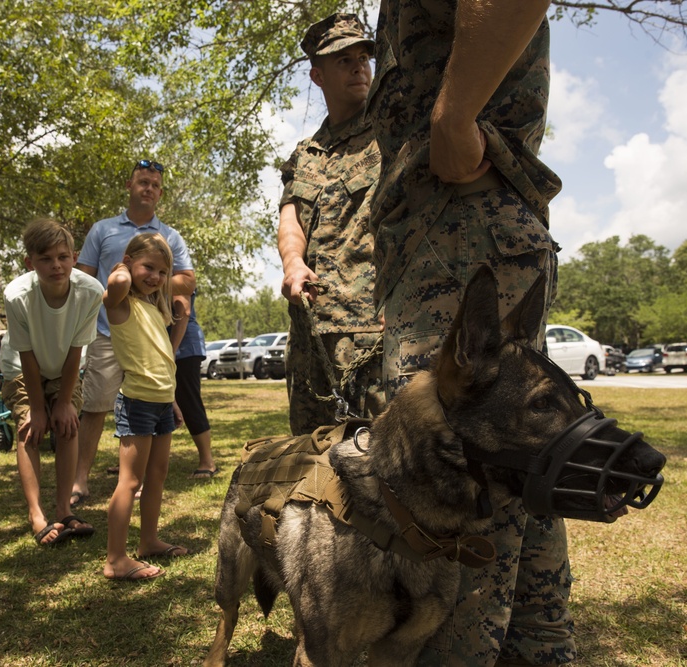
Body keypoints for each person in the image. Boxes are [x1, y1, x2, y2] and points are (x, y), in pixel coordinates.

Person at [367, 1, 573, 665]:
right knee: (515, 452)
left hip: (461, 218)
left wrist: (453, 118)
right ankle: (535, 646)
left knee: (448, 458)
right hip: (452, 224)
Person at [278, 13, 385, 436]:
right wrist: (293, 263)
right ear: (317, 75)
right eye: (344, 60)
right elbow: (290, 216)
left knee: (377, 457)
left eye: (363, 57)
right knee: (311, 451)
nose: (359, 66)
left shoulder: (391, 132)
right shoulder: (307, 153)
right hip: (311, 333)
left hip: (370, 332)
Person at [71, 159, 195, 503]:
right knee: (95, 405)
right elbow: (82, 277)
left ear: (160, 193)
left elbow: (187, 280)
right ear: (129, 186)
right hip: (105, 331)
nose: (149, 189)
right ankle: (79, 479)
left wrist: (148, 281)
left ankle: (138, 478)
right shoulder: (103, 229)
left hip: (148, 338)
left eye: (155, 185)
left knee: (148, 403)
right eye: (142, 182)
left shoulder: (169, 236)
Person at [1, 218, 103, 545]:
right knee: (29, 426)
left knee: (68, 422)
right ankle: (36, 515)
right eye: (45, 259)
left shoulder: (91, 291)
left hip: (66, 365)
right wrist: (37, 407)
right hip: (20, 363)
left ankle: (63, 510)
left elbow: (76, 349)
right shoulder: (17, 295)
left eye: (62, 257)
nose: (56, 265)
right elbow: (27, 355)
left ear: (74, 256)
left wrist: (61, 403)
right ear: (30, 262)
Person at [103, 233, 189, 581]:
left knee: (157, 475)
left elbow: (163, 357)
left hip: (160, 403)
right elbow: (116, 285)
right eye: (148, 267)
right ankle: (115, 558)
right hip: (137, 401)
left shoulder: (153, 308)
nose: (155, 276)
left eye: (162, 271)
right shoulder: (120, 303)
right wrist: (122, 270)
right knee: (131, 480)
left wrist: (173, 400)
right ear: (129, 261)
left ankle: (149, 540)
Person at [170, 291, 218, 478]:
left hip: (184, 346)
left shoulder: (180, 271)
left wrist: (171, 351)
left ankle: (207, 461)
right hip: (156, 343)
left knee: (188, 401)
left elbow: (183, 307)